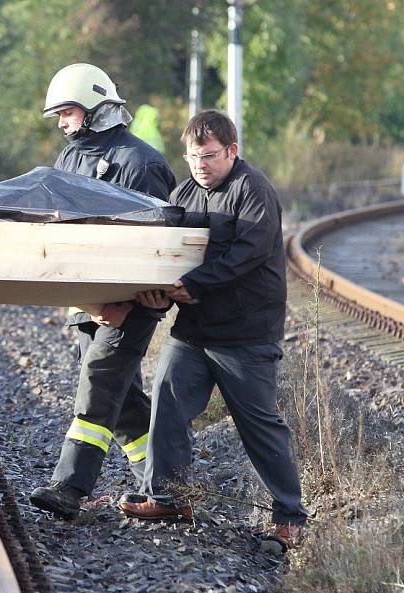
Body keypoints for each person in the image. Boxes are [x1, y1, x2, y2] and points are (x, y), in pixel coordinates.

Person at [122, 109, 308, 552]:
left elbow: (247, 253)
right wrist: (156, 294)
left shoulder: (252, 190)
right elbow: (167, 254)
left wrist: (191, 285)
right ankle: (168, 497)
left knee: (258, 424)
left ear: (232, 151)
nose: (200, 166)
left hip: (247, 334)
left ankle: (290, 517)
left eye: (209, 157)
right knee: (166, 403)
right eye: (192, 157)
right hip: (194, 330)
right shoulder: (184, 192)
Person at [29, 63, 176, 519]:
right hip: (86, 302)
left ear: (95, 107)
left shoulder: (142, 164)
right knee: (124, 397)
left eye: (67, 112)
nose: (62, 123)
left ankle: (70, 487)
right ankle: (169, 485)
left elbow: (155, 245)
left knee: (99, 381)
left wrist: (123, 301)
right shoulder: (70, 158)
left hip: (132, 304)